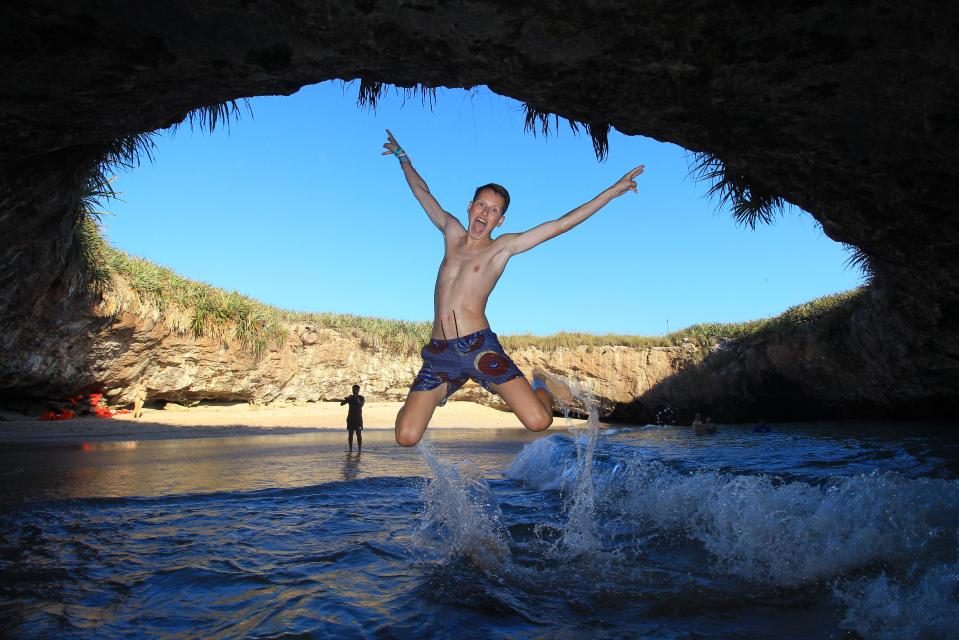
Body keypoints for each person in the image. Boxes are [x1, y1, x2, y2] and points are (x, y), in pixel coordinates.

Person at [382, 129, 644, 447]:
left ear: (500, 221)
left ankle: (541, 384)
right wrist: (403, 158)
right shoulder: (450, 232)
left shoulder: (502, 248)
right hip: (440, 354)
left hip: (479, 348)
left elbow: (560, 224)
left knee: (539, 421)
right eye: (481, 205)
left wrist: (611, 192)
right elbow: (423, 192)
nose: (485, 213)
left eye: (493, 211)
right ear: (470, 206)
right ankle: (445, 388)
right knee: (406, 437)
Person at [340, 384, 365, 452]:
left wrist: (356, 398)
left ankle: (359, 449)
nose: (354, 391)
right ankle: (350, 449)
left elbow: (361, 405)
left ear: (358, 390)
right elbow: (341, 404)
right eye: (353, 389)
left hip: (358, 419)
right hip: (350, 418)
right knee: (350, 434)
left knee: (358, 433)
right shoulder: (350, 397)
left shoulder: (361, 397)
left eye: (355, 389)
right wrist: (347, 399)